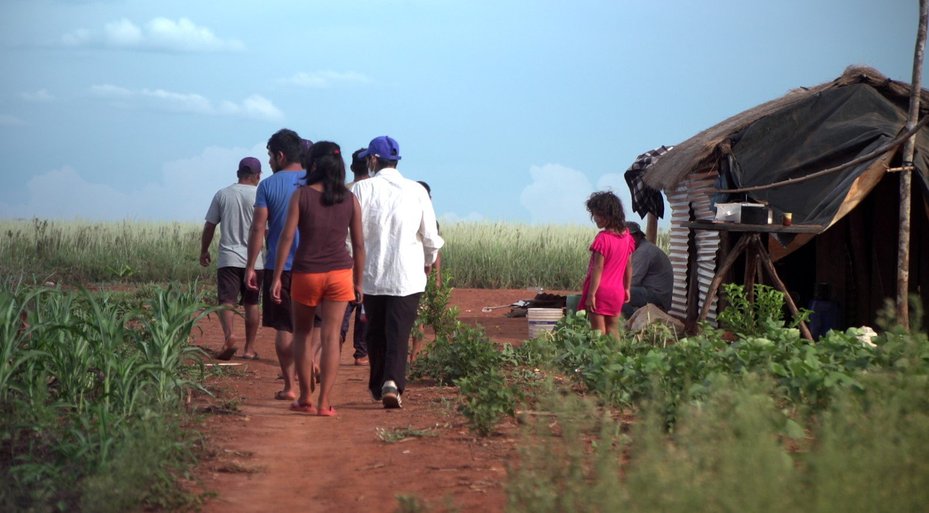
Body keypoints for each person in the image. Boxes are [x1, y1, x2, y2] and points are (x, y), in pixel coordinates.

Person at [271, 141, 364, 416]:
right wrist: (359, 282)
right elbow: (358, 245)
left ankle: (305, 397)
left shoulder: (302, 196)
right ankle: (325, 403)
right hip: (340, 273)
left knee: (301, 334)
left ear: (313, 165)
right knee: (332, 335)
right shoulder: (350, 199)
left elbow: (287, 237)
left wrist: (277, 276)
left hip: (306, 273)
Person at [352, 135, 443, 409]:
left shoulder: (361, 190)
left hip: (372, 276)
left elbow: (350, 236)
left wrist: (352, 268)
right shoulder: (417, 190)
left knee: (375, 332)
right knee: (399, 332)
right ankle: (392, 382)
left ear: (373, 160)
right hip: (408, 276)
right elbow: (430, 236)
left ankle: (379, 383)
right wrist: (428, 261)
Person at [245, 128, 305, 401]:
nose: (268, 162)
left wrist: (250, 265)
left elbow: (258, 229)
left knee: (284, 327)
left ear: (280, 156)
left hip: (278, 267)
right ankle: (312, 366)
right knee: (312, 326)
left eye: (270, 156)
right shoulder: (315, 182)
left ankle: (290, 385)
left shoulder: (267, 186)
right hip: (314, 266)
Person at [200, 157, 264, 360]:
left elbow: (210, 225)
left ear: (238, 174)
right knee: (251, 303)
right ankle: (249, 348)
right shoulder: (261, 195)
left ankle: (230, 336)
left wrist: (204, 250)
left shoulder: (223, 194)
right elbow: (267, 229)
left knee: (227, 301)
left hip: (228, 258)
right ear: (257, 176)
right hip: (256, 261)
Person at [578, 191, 635, 337]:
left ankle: (600, 359)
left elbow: (598, 268)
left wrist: (591, 295)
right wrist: (627, 288)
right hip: (617, 292)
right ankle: (616, 358)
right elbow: (629, 266)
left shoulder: (602, 239)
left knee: (599, 332)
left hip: (600, 291)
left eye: (597, 214)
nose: (595, 218)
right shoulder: (628, 237)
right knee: (613, 331)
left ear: (608, 216)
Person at [339, 148, 371, 366]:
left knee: (343, 307)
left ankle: (334, 345)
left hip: (346, 258)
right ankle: (361, 353)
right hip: (371, 259)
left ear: (351, 168)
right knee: (365, 307)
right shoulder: (379, 190)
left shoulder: (342, 192)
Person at [620, 222, 673, 318]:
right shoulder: (641, 248)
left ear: (637, 235)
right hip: (653, 292)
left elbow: (632, 281)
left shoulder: (643, 252)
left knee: (618, 293)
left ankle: (632, 320)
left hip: (657, 295)